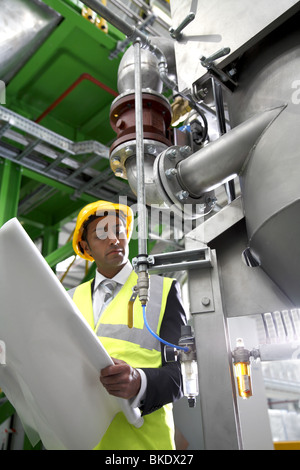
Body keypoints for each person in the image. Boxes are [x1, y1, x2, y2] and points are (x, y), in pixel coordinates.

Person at [69, 200, 187, 450]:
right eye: (101, 233)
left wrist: (139, 381)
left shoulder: (163, 291)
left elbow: (182, 376)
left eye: (118, 230)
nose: (113, 239)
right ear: (85, 246)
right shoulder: (67, 300)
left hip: (142, 446)